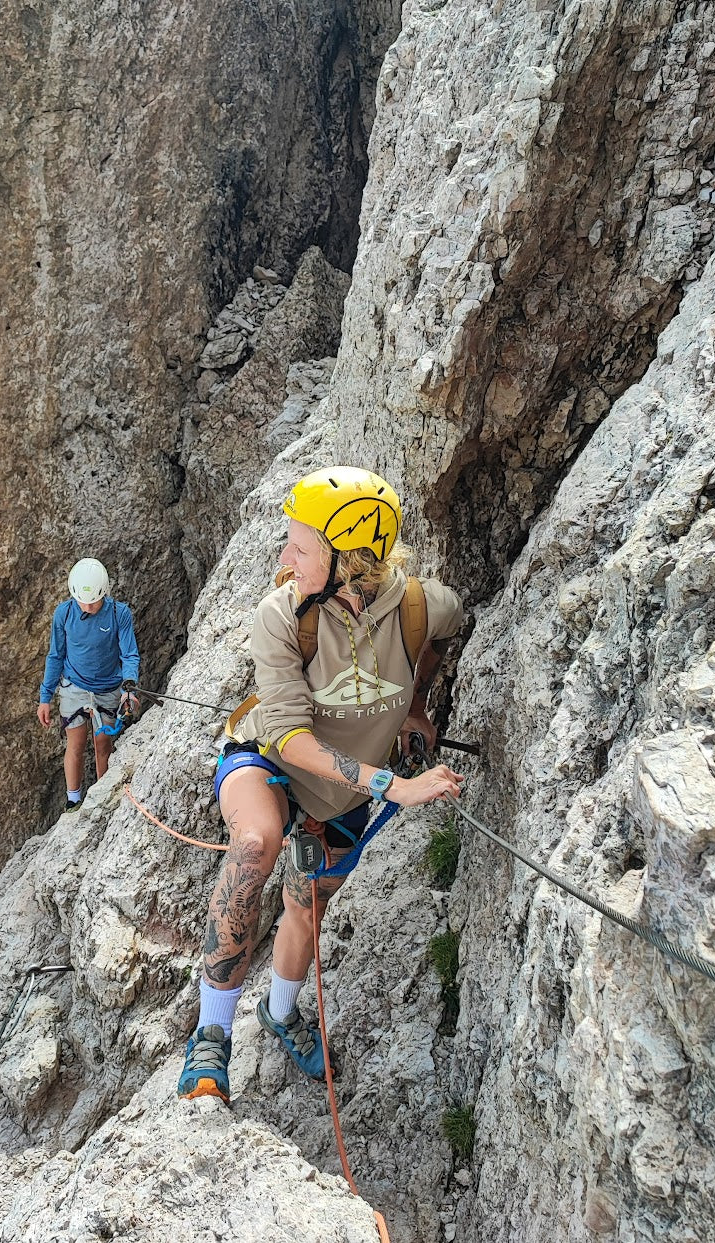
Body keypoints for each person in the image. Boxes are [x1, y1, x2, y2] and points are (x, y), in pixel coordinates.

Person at [178, 467, 465, 1103]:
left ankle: (279, 1015)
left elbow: (448, 627)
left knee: (307, 909)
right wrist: (393, 784)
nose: (284, 558)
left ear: (352, 561)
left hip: (340, 800)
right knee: (257, 842)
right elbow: (288, 738)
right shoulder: (282, 616)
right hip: (271, 765)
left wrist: (417, 705)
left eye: (301, 547)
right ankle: (210, 1039)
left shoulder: (419, 608)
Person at [38, 558, 141, 810]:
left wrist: (129, 688)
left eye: (93, 600)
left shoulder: (119, 614)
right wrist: (45, 697)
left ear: (104, 592)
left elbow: (129, 654)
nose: (87, 606)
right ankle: (73, 800)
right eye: (82, 601)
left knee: (102, 745)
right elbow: (56, 655)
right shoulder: (64, 613)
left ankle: (101, 799)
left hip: (108, 688)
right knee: (75, 744)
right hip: (73, 687)